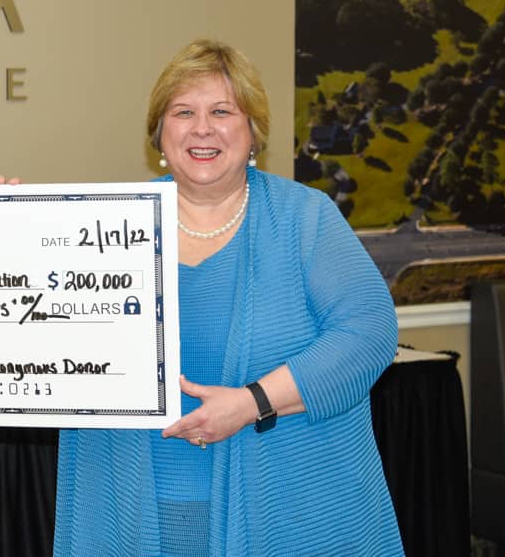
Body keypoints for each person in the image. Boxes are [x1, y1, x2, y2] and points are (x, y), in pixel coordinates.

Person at [52, 40, 403, 556]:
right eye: (183, 112)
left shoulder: (306, 218)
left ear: (253, 130)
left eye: (222, 111)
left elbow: (369, 333)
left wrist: (252, 403)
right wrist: (9, 230)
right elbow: (40, 330)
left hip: (285, 509)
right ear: (159, 132)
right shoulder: (107, 223)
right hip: (144, 510)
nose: (202, 128)